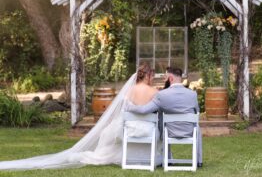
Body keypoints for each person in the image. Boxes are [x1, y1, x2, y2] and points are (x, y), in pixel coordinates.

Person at [0, 63, 158, 170]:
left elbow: (122, 111)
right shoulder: (154, 92)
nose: (154, 79)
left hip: (129, 129)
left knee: (109, 136)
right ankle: (144, 156)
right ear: (149, 76)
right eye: (153, 76)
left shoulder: (129, 91)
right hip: (147, 131)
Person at [128, 67, 203, 167]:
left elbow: (144, 110)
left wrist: (128, 106)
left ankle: (167, 158)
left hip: (169, 132)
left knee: (161, 121)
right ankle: (199, 161)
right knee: (197, 127)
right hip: (190, 131)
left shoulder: (162, 95)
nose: (165, 79)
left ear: (171, 79)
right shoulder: (193, 94)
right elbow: (197, 112)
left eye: (166, 77)